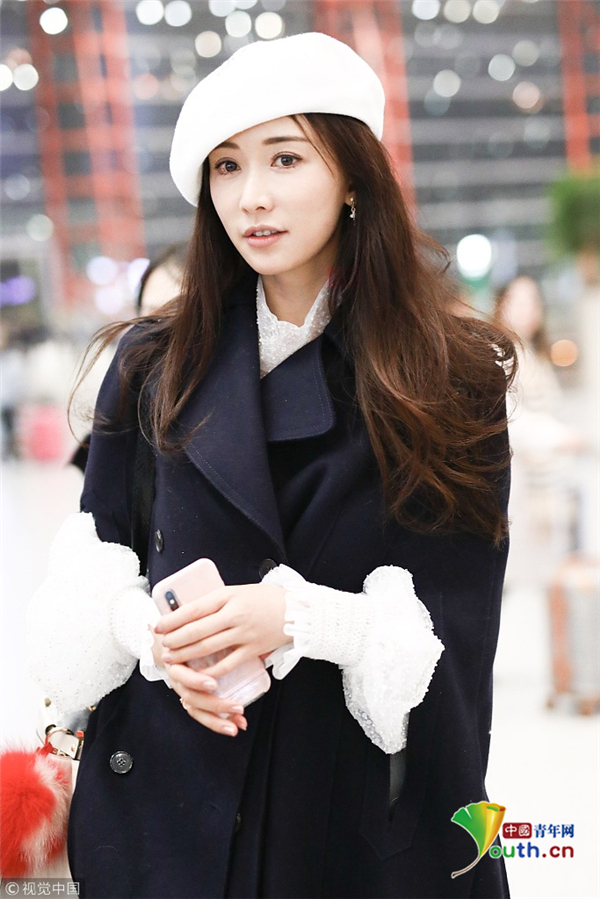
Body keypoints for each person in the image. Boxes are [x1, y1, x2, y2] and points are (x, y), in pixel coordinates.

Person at [27, 33, 516, 899]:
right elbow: (92, 575)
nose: (251, 195)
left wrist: (296, 617)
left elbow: (454, 637)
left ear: (353, 175)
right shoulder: (154, 361)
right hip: (166, 806)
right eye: (226, 166)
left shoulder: (446, 375)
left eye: (285, 158)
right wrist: (156, 641)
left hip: (338, 819)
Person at [493, 275, 582, 590]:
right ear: (501, 305)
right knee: (527, 581)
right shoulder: (500, 353)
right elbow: (510, 418)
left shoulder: (534, 352)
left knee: (549, 576)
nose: (529, 309)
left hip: (547, 480)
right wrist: (558, 437)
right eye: (519, 301)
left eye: (534, 301)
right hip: (522, 481)